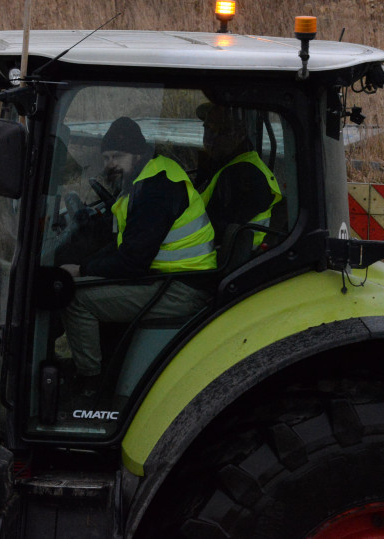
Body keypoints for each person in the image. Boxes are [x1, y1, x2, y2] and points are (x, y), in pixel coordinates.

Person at [60, 117, 216, 392]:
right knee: (86, 282)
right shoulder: (145, 179)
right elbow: (125, 246)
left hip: (183, 289)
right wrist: (85, 265)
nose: (110, 164)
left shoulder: (155, 189)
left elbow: (132, 261)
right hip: (170, 279)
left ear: (139, 154)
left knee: (76, 298)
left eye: (118, 156)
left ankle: (90, 385)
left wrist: (83, 269)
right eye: (106, 157)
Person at [196, 104, 282, 248]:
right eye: (208, 129)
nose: (210, 138)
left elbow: (216, 229)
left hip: (236, 258)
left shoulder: (243, 174)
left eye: (220, 131)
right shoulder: (225, 163)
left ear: (239, 134)